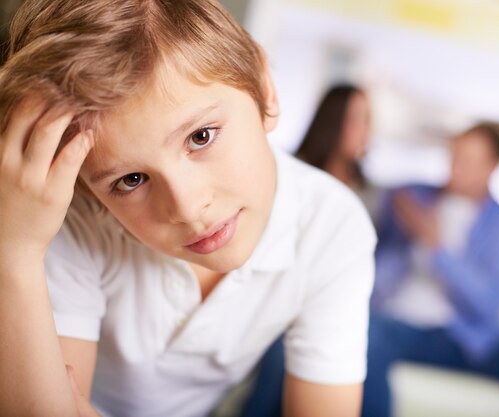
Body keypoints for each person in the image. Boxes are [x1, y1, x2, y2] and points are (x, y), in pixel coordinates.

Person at [0, 2, 377, 417]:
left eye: (201, 136)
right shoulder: (66, 218)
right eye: (130, 180)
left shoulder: (333, 225)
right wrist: (15, 251)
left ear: (264, 89)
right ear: (88, 192)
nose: (188, 207)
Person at [364, 123, 499, 417]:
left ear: (492, 167)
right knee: (366, 331)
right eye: (454, 157)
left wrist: (439, 250)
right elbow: (381, 210)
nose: (457, 169)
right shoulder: (413, 198)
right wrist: (402, 213)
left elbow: (488, 304)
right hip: (401, 325)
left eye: (469, 161)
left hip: (469, 339)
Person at [238, 83, 375, 417]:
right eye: (356, 119)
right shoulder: (290, 178)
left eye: (368, 120)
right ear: (333, 121)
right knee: (281, 347)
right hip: (281, 296)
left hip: (345, 303)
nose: (365, 131)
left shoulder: (372, 195)